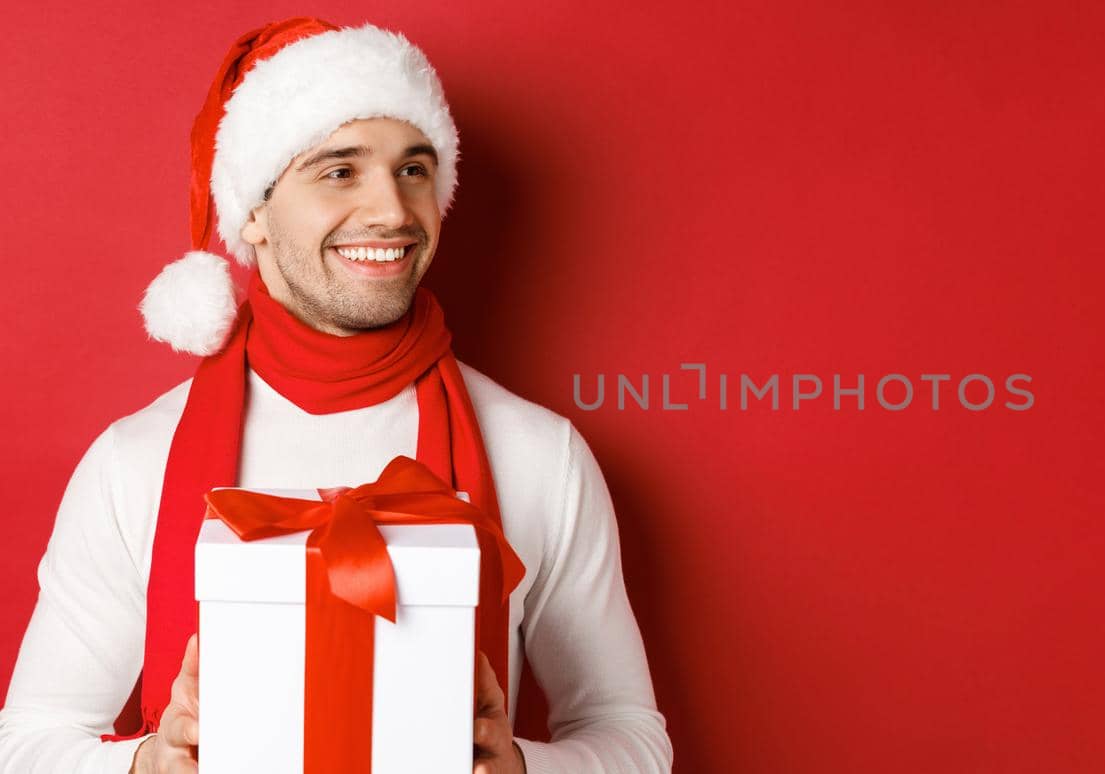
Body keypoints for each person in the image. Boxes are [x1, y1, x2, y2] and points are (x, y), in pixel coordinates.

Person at [0, 17, 672, 774]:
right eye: (340, 171)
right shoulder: (135, 463)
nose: (392, 212)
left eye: (414, 169)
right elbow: (25, 745)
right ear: (252, 212)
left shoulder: (538, 455)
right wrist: (148, 765)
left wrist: (519, 766)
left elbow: (630, 737)